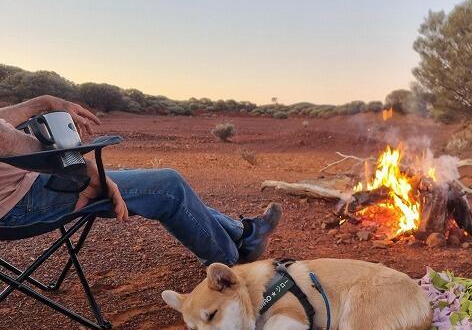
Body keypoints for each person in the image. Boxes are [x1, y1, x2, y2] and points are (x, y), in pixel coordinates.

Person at [0, 95, 281, 266]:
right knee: (166, 185)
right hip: (20, 203)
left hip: (26, 187)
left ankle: (243, 233)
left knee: (153, 185)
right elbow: (11, 141)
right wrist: (90, 175)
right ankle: (229, 262)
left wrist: (42, 103)